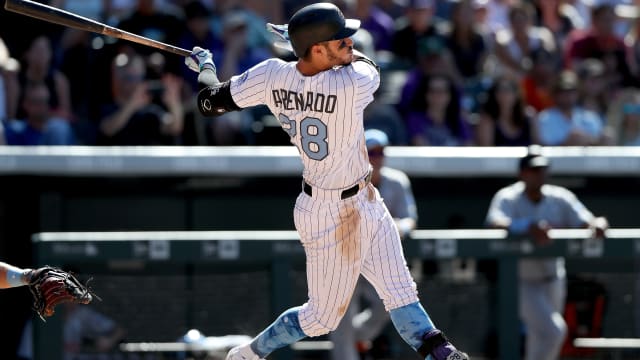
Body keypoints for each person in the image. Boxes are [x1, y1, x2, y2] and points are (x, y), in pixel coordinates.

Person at [186, 3, 468, 360]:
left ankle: (442, 353)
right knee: (321, 318)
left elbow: (209, 102)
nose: (349, 43)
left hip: (363, 198)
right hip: (326, 213)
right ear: (317, 49)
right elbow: (370, 64)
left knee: (401, 292)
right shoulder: (350, 83)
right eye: (340, 40)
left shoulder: (273, 74)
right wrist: (296, 39)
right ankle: (249, 354)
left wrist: (207, 65)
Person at [484, 146, 609, 360]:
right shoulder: (508, 197)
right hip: (522, 281)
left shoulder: (560, 197)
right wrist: (526, 226)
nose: (538, 175)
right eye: (533, 170)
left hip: (553, 278)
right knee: (555, 331)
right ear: (522, 173)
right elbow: (494, 222)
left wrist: (597, 223)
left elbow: (587, 220)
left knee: (539, 336)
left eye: (542, 169)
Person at [329, 129, 418, 360]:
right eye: (371, 152)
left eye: (380, 152)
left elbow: (409, 218)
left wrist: (396, 227)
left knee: (388, 302)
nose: (375, 157)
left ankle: (357, 336)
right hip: (345, 256)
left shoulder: (397, 181)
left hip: (378, 257)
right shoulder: (343, 179)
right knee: (340, 314)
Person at [4, 82, 76, 145]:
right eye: (37, 102)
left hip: (54, 159)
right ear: (25, 104)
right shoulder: (15, 132)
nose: (41, 106)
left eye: (45, 101)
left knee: (59, 128)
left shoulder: (60, 131)